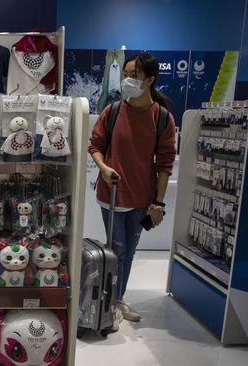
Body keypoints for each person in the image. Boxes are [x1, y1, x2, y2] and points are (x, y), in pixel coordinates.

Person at [88, 53, 176, 324]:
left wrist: (158, 204)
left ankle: (118, 299)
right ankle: (110, 302)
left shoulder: (162, 118)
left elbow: (165, 164)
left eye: (134, 75)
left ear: (149, 80)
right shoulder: (112, 111)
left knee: (130, 250)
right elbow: (95, 146)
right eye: (125, 73)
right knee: (118, 248)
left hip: (141, 198)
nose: (127, 79)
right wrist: (103, 168)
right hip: (111, 195)